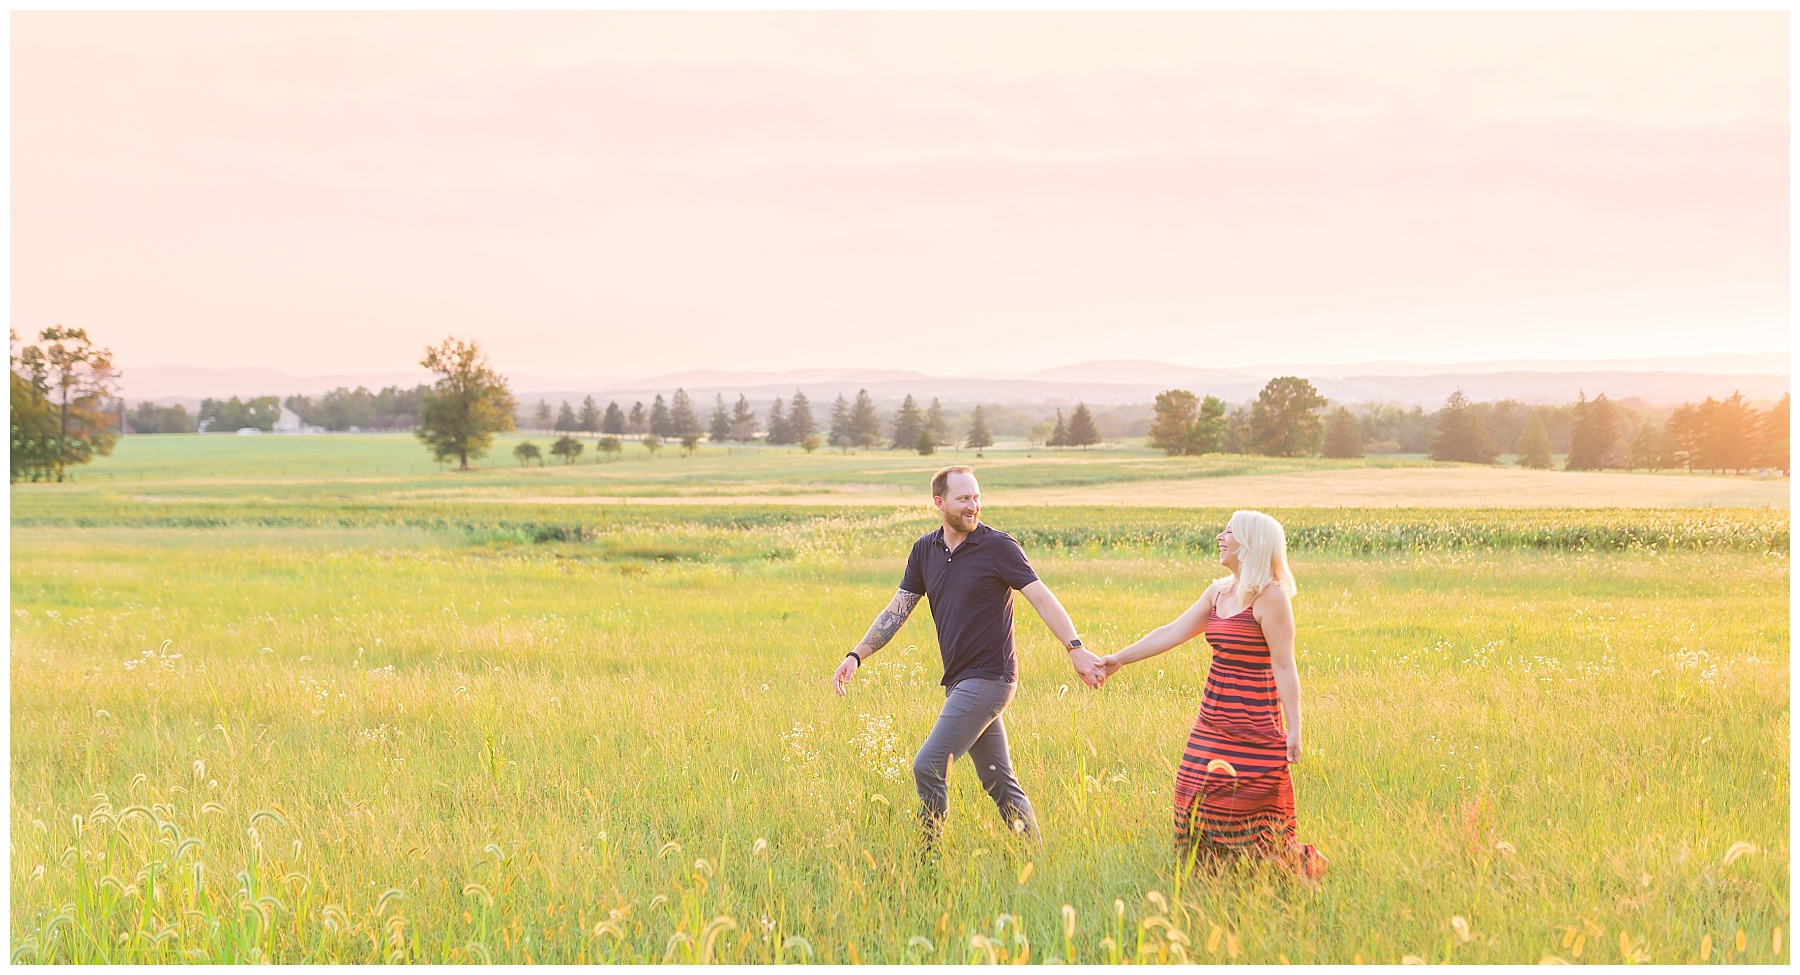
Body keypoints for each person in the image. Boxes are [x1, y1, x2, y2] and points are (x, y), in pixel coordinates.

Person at [833, 465, 1104, 845]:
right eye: (963, 498)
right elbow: (897, 610)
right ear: (939, 502)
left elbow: (1042, 597)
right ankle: (1034, 853)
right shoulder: (925, 550)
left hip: (990, 678)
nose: (973, 506)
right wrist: (856, 655)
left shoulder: (998, 547)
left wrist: (1075, 649)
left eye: (976, 497)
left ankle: (927, 857)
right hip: (960, 680)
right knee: (998, 779)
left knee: (929, 765)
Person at [1100, 509, 1326, 881]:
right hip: (1212, 720)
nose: (1220, 537)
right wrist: (1118, 660)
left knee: (1254, 815)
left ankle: (1298, 873)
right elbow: (1173, 631)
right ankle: (1207, 879)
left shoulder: (1271, 598)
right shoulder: (1218, 592)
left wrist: (1295, 728)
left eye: (1229, 532)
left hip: (1255, 725)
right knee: (1192, 799)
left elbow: (1285, 665)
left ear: (1250, 543)